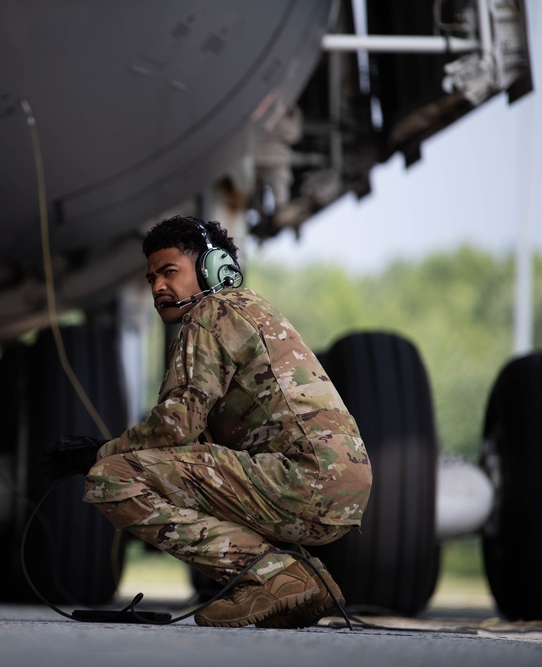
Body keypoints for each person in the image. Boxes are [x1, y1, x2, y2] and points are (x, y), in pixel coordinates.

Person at [80, 214, 372, 628]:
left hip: (303, 479)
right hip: (339, 487)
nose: (158, 287)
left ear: (211, 269)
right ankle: (310, 584)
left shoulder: (212, 313)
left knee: (111, 477)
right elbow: (193, 442)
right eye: (150, 279)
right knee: (198, 471)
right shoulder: (252, 310)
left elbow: (175, 426)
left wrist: (99, 452)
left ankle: (272, 576)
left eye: (169, 272)